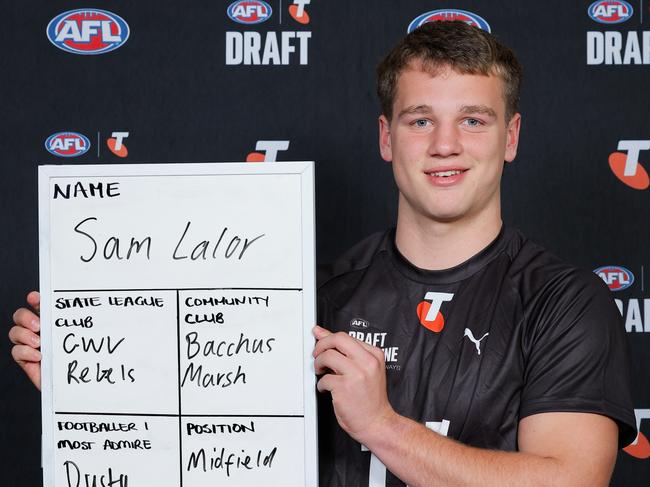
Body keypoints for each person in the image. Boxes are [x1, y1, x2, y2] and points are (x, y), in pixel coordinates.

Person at [10, 21, 636, 487]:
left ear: (512, 138)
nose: (446, 144)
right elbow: (211, 461)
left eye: (473, 120)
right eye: (420, 121)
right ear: (387, 138)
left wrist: (381, 426)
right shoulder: (312, 297)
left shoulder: (565, 303)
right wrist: (97, 398)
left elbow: (569, 481)